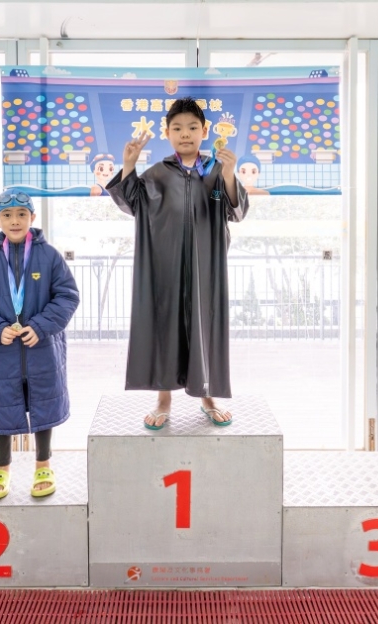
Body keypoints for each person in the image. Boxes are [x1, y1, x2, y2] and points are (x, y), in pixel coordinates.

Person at [107, 97, 249, 430]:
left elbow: (237, 211)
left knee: (205, 326)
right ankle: (163, 399)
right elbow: (130, 203)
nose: (185, 134)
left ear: (204, 132)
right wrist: (129, 165)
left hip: (205, 267)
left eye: (192, 127)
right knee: (164, 326)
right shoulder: (157, 174)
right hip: (164, 265)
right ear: (167, 133)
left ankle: (208, 396)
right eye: (178, 128)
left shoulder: (215, 170)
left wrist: (229, 175)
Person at [0, 189, 79, 500]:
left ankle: (43, 464)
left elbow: (67, 296)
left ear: (32, 218)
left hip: (42, 348)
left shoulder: (49, 255)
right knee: (1, 405)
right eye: (8, 215)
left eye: (22, 214)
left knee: (44, 403)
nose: (15, 221)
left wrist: (40, 326)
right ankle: (2, 467)